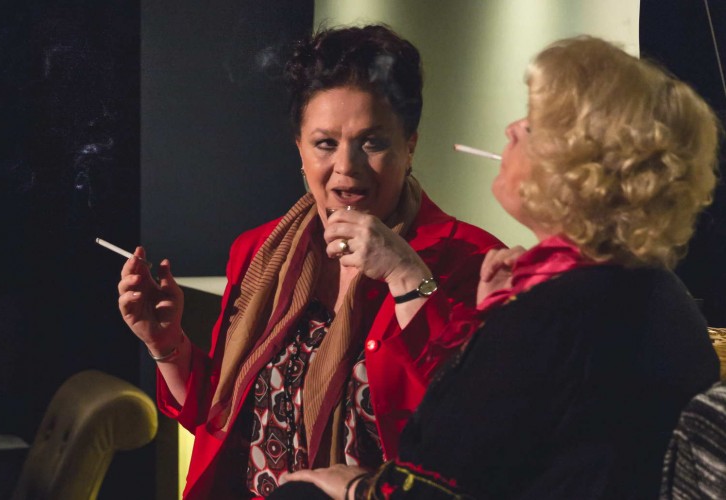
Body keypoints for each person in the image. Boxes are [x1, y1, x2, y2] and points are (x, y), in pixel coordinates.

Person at [280, 35, 722, 499]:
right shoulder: (651, 292)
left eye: (533, 126)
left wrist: (356, 489)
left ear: (577, 168)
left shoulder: (556, 313)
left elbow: (442, 474)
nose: (511, 129)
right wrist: (494, 322)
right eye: (325, 143)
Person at [117, 24, 503, 499]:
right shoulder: (261, 251)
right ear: (299, 148)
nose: (347, 166)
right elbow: (223, 420)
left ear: (410, 145)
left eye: (372, 142)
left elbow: (474, 431)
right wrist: (166, 344)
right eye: (325, 143)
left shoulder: (472, 259)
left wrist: (408, 276)